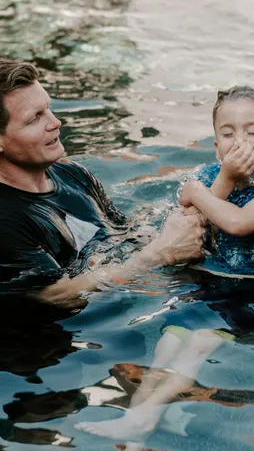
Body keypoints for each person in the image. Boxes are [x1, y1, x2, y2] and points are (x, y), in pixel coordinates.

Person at [76, 85, 254, 451]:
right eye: (229, 133)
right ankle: (133, 437)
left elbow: (233, 223)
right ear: (215, 144)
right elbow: (191, 223)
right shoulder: (209, 179)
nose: (240, 142)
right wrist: (219, 181)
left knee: (196, 344)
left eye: (252, 132)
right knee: (166, 345)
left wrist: (210, 188)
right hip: (209, 286)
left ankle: (138, 431)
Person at [0, 58, 206, 315]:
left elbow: (127, 233)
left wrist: (187, 230)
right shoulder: (5, 219)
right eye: (35, 119)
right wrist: (160, 254)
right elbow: (56, 296)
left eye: (49, 108)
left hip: (124, 305)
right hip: (65, 342)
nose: (55, 123)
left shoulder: (74, 174)